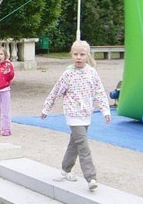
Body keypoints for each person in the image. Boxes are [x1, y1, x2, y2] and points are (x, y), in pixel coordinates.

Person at [41, 40, 111, 191]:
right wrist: (46, 109)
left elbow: (99, 91)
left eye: (82, 54)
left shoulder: (92, 72)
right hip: (73, 114)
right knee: (83, 145)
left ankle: (65, 169)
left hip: (86, 114)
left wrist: (105, 110)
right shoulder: (68, 74)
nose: (78, 57)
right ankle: (91, 177)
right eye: (75, 54)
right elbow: (56, 91)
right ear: (71, 55)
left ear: (87, 56)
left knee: (74, 144)